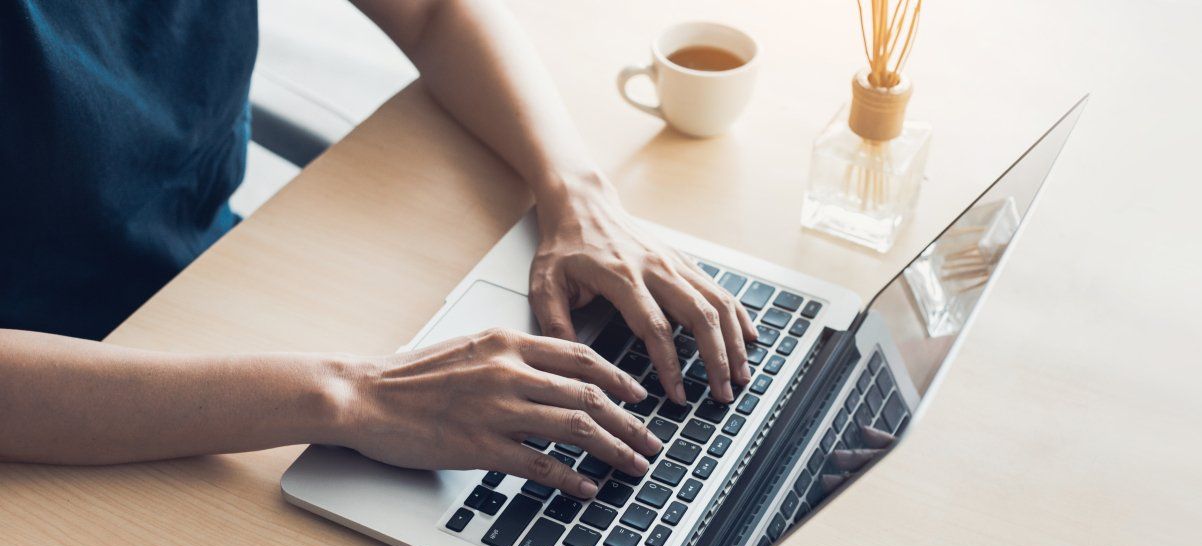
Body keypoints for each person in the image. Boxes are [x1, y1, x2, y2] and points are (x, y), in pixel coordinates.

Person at [0, 0, 754, 499]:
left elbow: (432, 13)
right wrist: (353, 395)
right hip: (53, 420)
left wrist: (578, 194)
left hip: (213, 295)